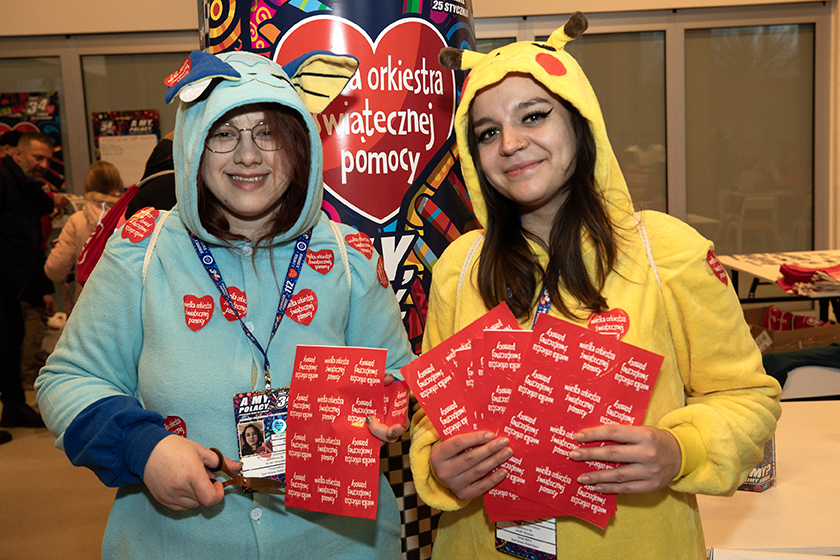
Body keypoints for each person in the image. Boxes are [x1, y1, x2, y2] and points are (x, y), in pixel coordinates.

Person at [409, 13, 781, 560]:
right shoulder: (460, 267)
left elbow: (747, 398)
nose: (510, 143)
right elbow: (431, 412)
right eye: (487, 132)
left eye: (533, 116)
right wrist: (437, 463)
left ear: (580, 124)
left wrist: (682, 449)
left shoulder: (666, 252)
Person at [36, 49, 412, 558]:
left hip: (339, 544)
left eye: (268, 132)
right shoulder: (141, 252)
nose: (248, 155)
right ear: (193, 143)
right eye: (223, 133)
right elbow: (68, 378)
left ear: (300, 144)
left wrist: (389, 408)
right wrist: (143, 448)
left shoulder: (351, 258)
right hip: (173, 543)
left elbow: (396, 376)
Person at [0, 132, 56, 439]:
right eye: (37, 157)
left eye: (47, 159)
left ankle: (13, 406)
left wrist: (42, 289)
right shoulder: (5, 181)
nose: (43, 164)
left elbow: (31, 245)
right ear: (17, 154)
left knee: (11, 341)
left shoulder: (27, 190)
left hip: (12, 286)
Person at [44, 160, 123, 305]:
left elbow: (55, 270)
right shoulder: (133, 216)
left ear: (88, 186)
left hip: (88, 305)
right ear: (118, 184)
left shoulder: (77, 221)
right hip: (126, 303)